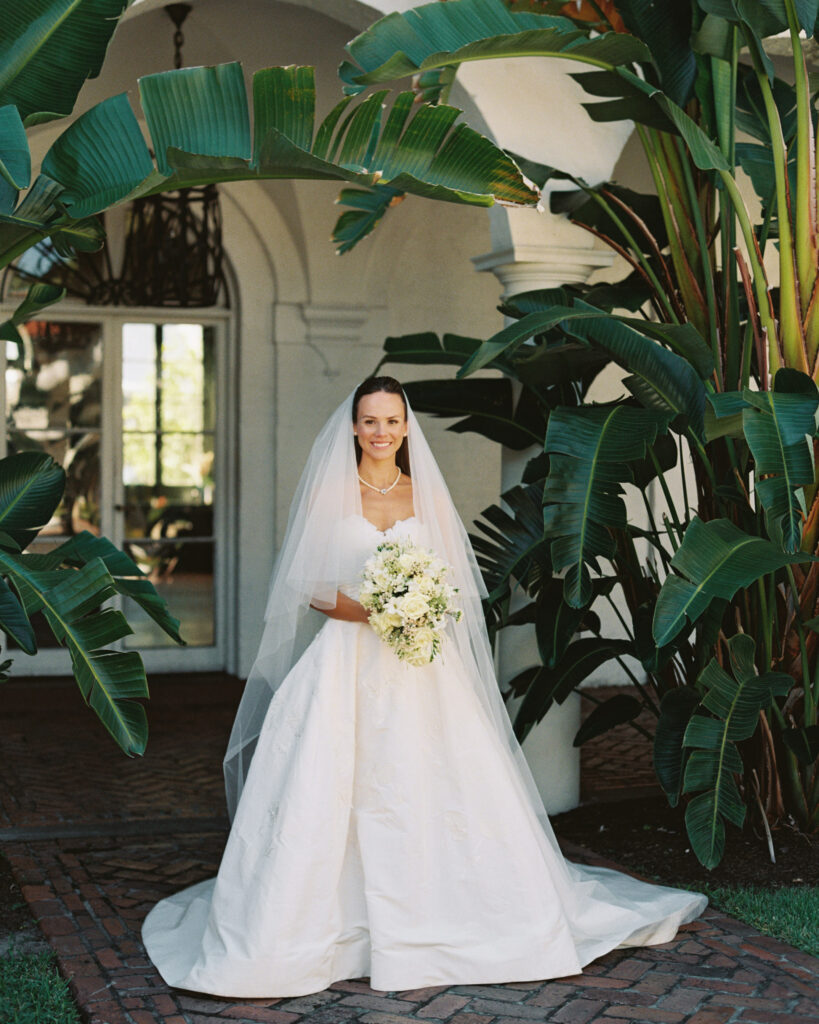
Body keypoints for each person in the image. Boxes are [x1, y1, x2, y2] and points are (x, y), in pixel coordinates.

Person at [141, 376, 706, 998]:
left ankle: (446, 915)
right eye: (370, 421)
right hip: (346, 662)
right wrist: (376, 608)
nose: (381, 432)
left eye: (391, 421)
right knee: (330, 785)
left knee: (430, 778)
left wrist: (418, 606)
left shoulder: (422, 492)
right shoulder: (333, 494)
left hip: (418, 666)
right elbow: (309, 586)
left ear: (406, 427)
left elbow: (453, 582)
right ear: (353, 428)